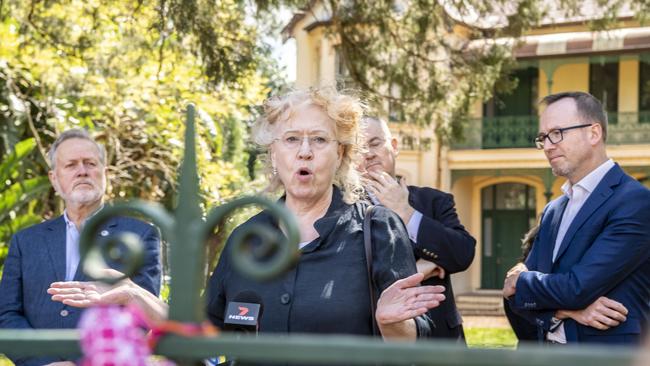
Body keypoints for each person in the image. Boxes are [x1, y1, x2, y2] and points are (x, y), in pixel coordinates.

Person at [206, 88, 446, 340]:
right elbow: (203, 331)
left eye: (319, 139)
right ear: (274, 155)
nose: (305, 151)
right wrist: (159, 310)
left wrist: (391, 324)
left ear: (340, 154)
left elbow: (413, 343)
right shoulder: (245, 238)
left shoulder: (377, 229)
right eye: (291, 139)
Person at [0, 129, 162, 365]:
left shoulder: (140, 235)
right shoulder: (26, 241)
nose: (82, 171)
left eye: (90, 163)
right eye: (71, 165)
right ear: (54, 179)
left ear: (104, 174)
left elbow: (140, 315)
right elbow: (6, 315)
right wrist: (43, 362)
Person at [503, 91, 650, 345]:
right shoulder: (553, 210)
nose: (548, 146)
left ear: (594, 133)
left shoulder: (635, 202)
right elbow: (515, 299)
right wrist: (567, 311)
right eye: (543, 138)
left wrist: (521, 279)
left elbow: (577, 287)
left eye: (557, 133)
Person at [359, 116, 476, 342]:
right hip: (376, 339)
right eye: (359, 148)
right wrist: (420, 269)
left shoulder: (435, 201)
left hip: (439, 339)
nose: (369, 154)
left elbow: (462, 254)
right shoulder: (342, 210)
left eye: (374, 143)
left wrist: (405, 211)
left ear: (393, 146)